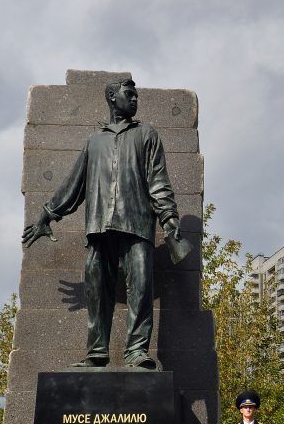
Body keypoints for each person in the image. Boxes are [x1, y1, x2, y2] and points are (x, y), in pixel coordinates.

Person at [21, 78, 181, 369]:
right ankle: (97, 352)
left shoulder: (147, 135)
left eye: (136, 96)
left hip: (136, 226)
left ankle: (136, 351)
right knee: (96, 290)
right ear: (111, 97)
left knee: (142, 288)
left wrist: (169, 219)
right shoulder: (95, 141)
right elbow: (74, 184)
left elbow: (159, 182)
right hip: (99, 227)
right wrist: (47, 214)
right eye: (129, 94)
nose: (135, 100)